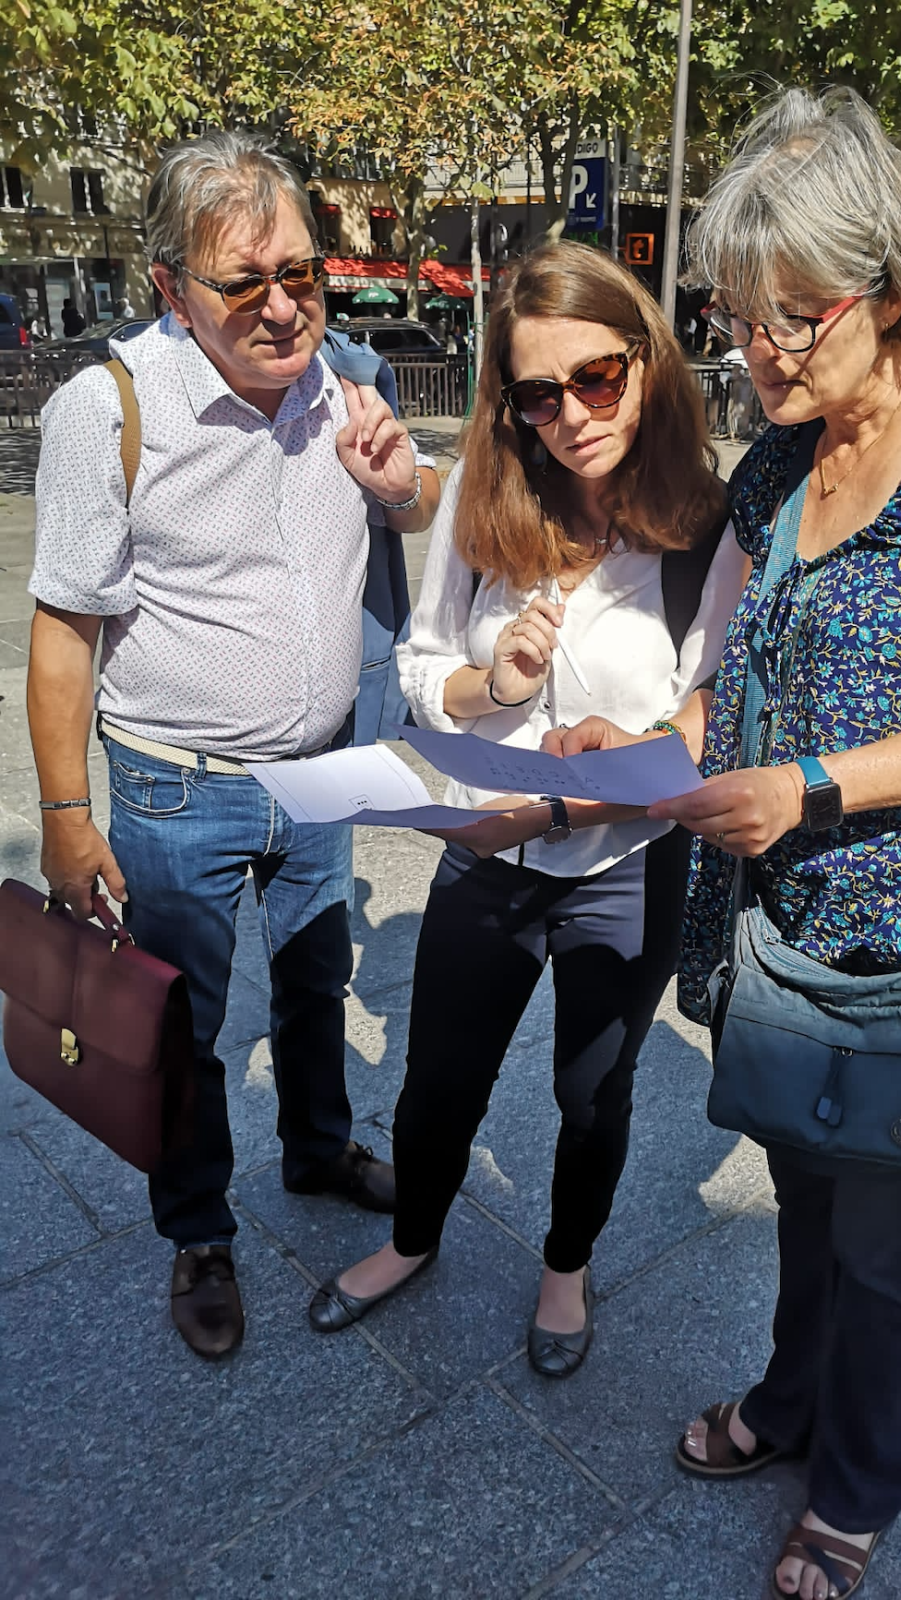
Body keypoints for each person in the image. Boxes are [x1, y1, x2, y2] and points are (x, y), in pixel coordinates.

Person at [554, 88, 901, 1598]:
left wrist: (805, 786)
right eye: (742, 318)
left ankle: (857, 1483)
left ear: (892, 287)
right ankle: (795, 1401)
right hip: (773, 927)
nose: (759, 355)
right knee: (804, 1198)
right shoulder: (776, 461)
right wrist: (638, 748)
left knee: (880, 1237)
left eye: (795, 317)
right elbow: (721, 685)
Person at [27, 129, 440, 1360]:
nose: (282, 307)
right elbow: (63, 634)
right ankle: (199, 1230)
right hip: (172, 788)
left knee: (316, 980)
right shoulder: (106, 414)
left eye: (302, 273)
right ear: (170, 286)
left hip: (319, 769)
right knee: (183, 1024)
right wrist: (64, 818)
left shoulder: (347, 376)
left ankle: (315, 1150)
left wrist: (402, 489)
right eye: (242, 282)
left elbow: (416, 509)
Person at [307, 242, 744, 1377]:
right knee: (441, 1075)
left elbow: (711, 712)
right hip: (482, 861)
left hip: (625, 866)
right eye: (538, 393)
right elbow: (417, 670)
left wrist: (594, 777)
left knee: (590, 1095)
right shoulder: (484, 499)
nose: (570, 416)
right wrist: (492, 685)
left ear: (646, 362)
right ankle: (413, 1238)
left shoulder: (710, 531)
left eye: (596, 378)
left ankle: (565, 1264)